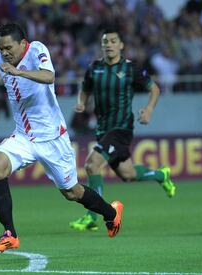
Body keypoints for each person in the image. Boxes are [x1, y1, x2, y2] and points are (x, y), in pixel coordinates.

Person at [0, 23, 124, 253]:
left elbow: (49, 77)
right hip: (23, 136)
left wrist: (18, 72)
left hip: (52, 138)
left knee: (72, 192)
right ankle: (10, 234)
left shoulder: (37, 50)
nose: (5, 52)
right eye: (1, 47)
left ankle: (111, 212)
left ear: (22, 43)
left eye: (9, 47)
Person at [69, 29, 176, 232]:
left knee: (92, 165)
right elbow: (85, 88)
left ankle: (92, 216)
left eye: (113, 41)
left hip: (121, 128)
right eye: (105, 41)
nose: (109, 44)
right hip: (103, 129)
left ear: (121, 45)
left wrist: (149, 110)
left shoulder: (130, 69)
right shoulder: (94, 68)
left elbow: (154, 89)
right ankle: (161, 175)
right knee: (128, 174)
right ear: (102, 46)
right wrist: (81, 103)